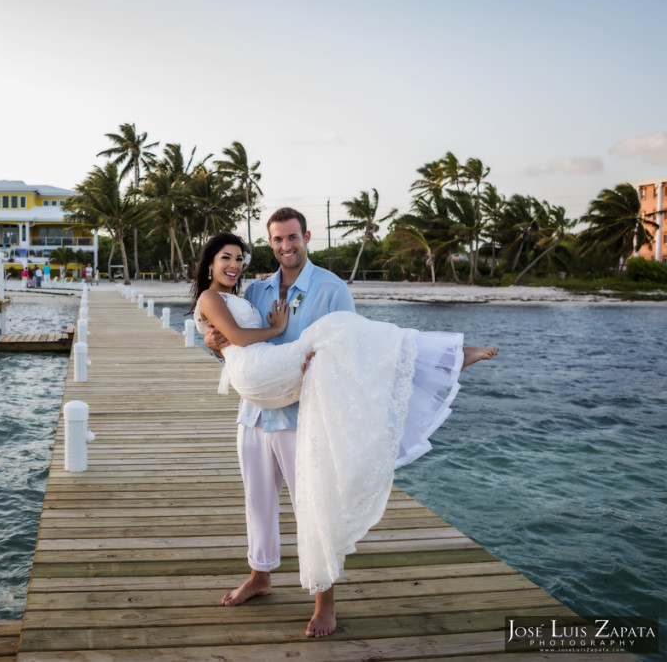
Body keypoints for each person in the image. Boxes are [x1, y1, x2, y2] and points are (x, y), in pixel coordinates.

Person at [198, 226, 497, 638]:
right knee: (258, 503)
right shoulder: (255, 291)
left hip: (298, 413)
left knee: (313, 503)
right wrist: (216, 344)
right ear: (270, 245)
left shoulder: (331, 286)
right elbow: (233, 345)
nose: (286, 246)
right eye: (277, 240)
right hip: (255, 410)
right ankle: (260, 576)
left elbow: (360, 350)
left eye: (292, 238)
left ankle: (325, 602)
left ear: (305, 237)